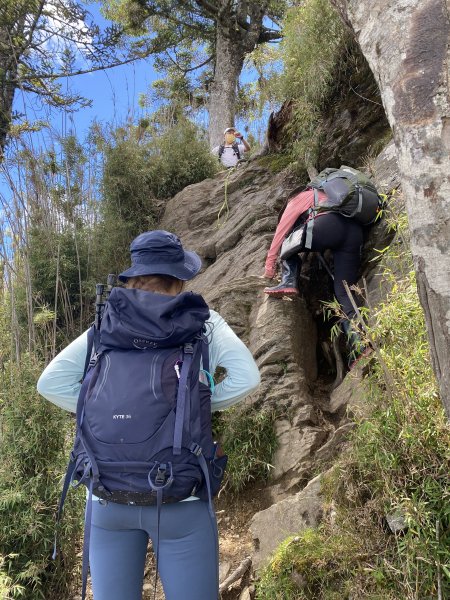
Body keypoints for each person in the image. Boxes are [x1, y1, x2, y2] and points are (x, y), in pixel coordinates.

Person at [37, 230, 260, 600]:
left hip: (106, 493)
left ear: (133, 276)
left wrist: (99, 409)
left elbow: (50, 382)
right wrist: (193, 408)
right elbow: (247, 378)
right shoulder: (204, 322)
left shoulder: (107, 322)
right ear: (180, 278)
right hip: (179, 496)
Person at [263, 189, 369, 365]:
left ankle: (288, 281)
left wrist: (270, 265)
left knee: (287, 240)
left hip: (327, 226)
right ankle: (360, 345)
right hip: (354, 232)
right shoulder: (332, 194)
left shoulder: (296, 200)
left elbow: (281, 233)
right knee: (344, 291)